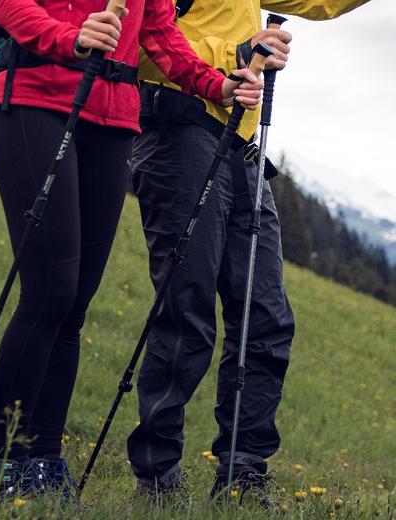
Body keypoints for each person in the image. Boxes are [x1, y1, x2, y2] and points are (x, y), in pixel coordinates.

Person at [0, 0, 263, 500]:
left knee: (74, 305)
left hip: (113, 122)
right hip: (38, 103)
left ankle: (46, 460)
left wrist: (215, 85)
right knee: (49, 293)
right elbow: (9, 6)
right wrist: (70, 36)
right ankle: (11, 464)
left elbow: (160, 37)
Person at [127, 0, 371, 503]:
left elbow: (317, 3)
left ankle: (243, 472)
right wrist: (237, 53)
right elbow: (142, 42)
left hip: (240, 147)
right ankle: (158, 478)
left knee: (266, 315)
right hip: (180, 133)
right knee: (186, 310)